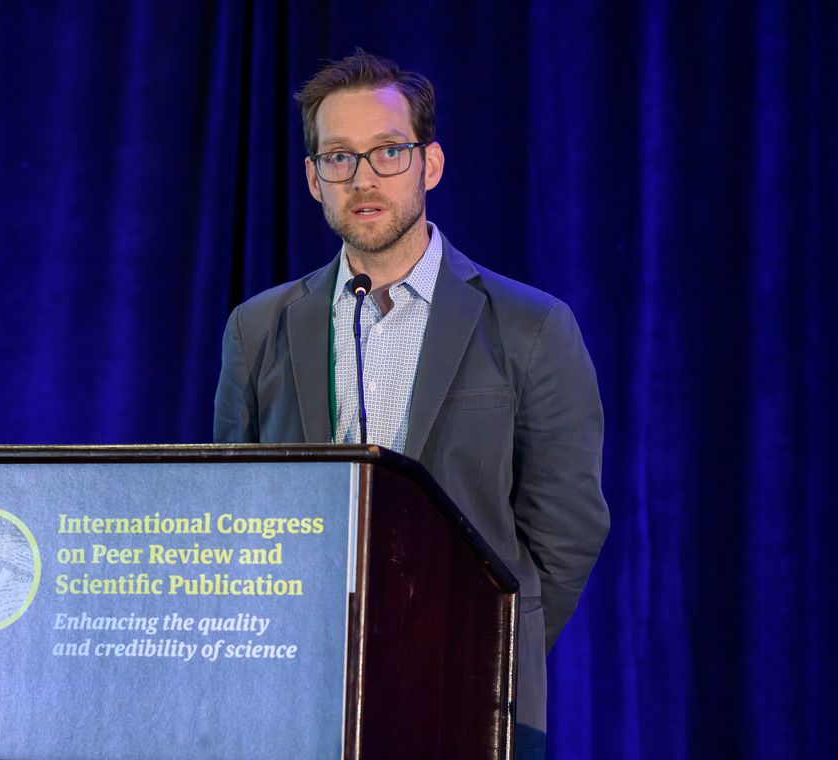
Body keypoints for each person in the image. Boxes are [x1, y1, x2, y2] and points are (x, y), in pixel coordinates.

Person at [213, 49, 610, 757]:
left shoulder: (532, 327)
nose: (363, 177)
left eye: (388, 151)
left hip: (469, 687)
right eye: (339, 157)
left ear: (430, 164)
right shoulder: (257, 328)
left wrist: (486, 640)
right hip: (297, 695)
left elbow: (566, 528)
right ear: (314, 179)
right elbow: (233, 515)